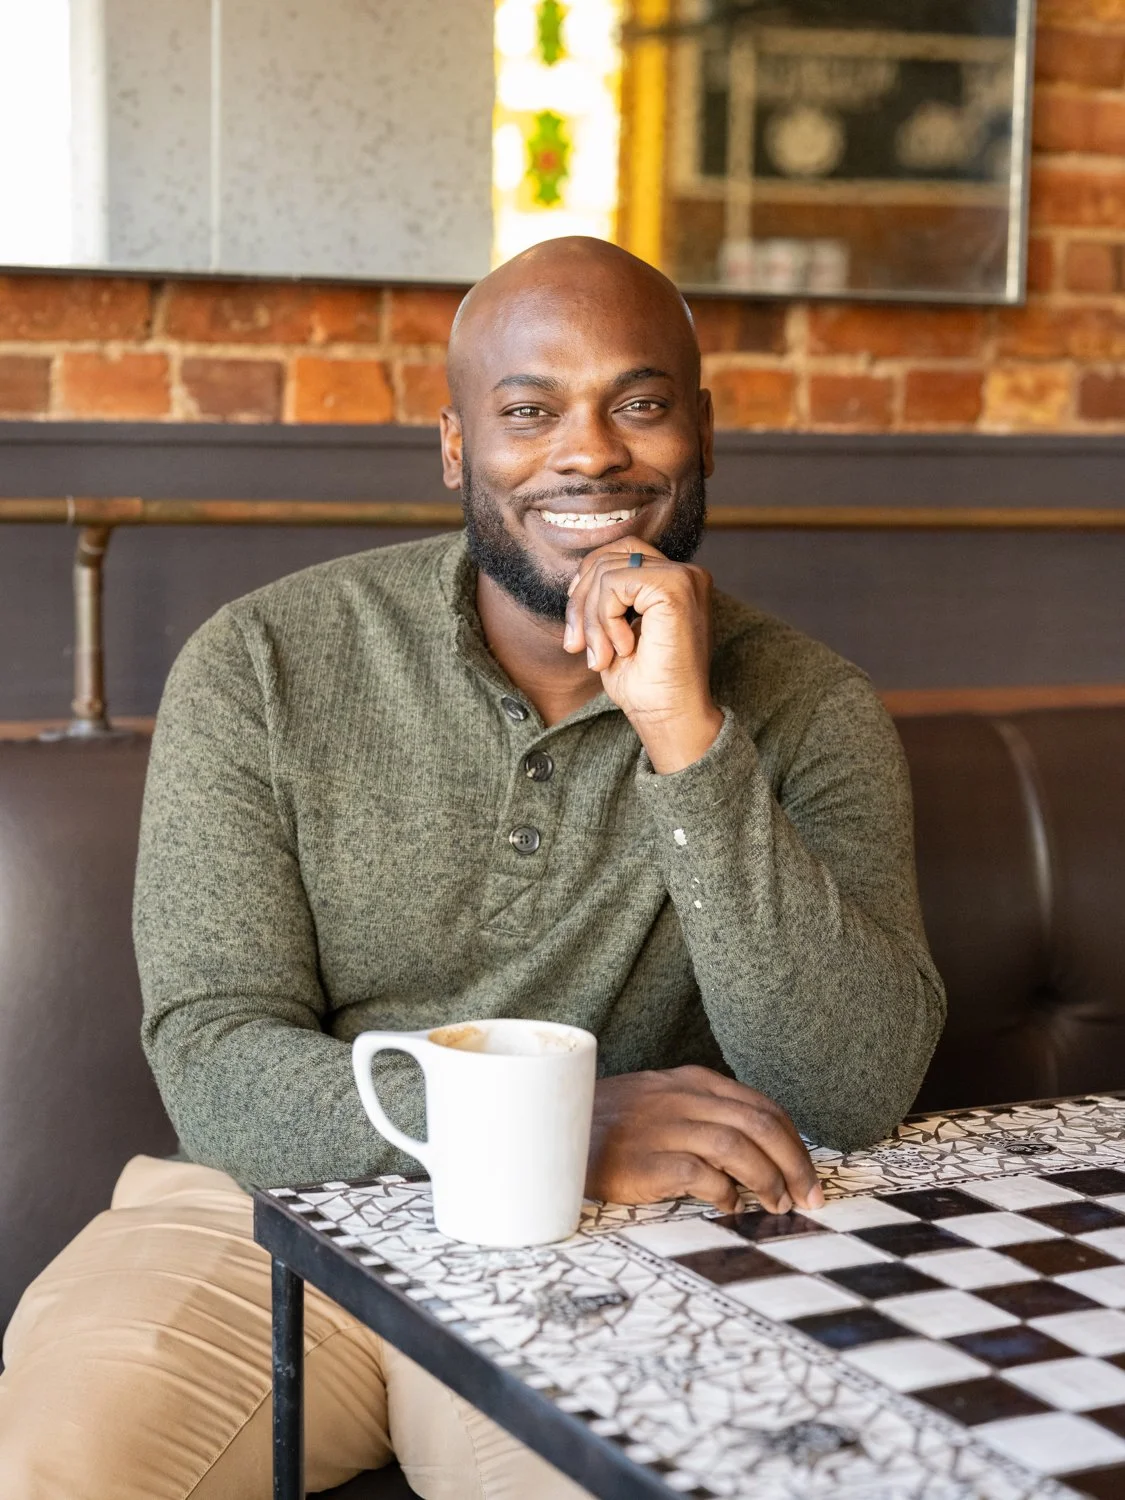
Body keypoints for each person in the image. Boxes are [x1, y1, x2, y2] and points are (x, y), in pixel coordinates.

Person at [0, 237, 944, 1498]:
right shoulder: (265, 662)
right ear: (458, 448)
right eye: (529, 410)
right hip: (263, 1212)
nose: (591, 450)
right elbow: (217, 1060)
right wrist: (553, 1127)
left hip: (626, 1242)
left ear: (703, 433)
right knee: (71, 1464)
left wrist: (684, 734)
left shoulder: (811, 707)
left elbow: (853, 1081)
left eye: (641, 404)